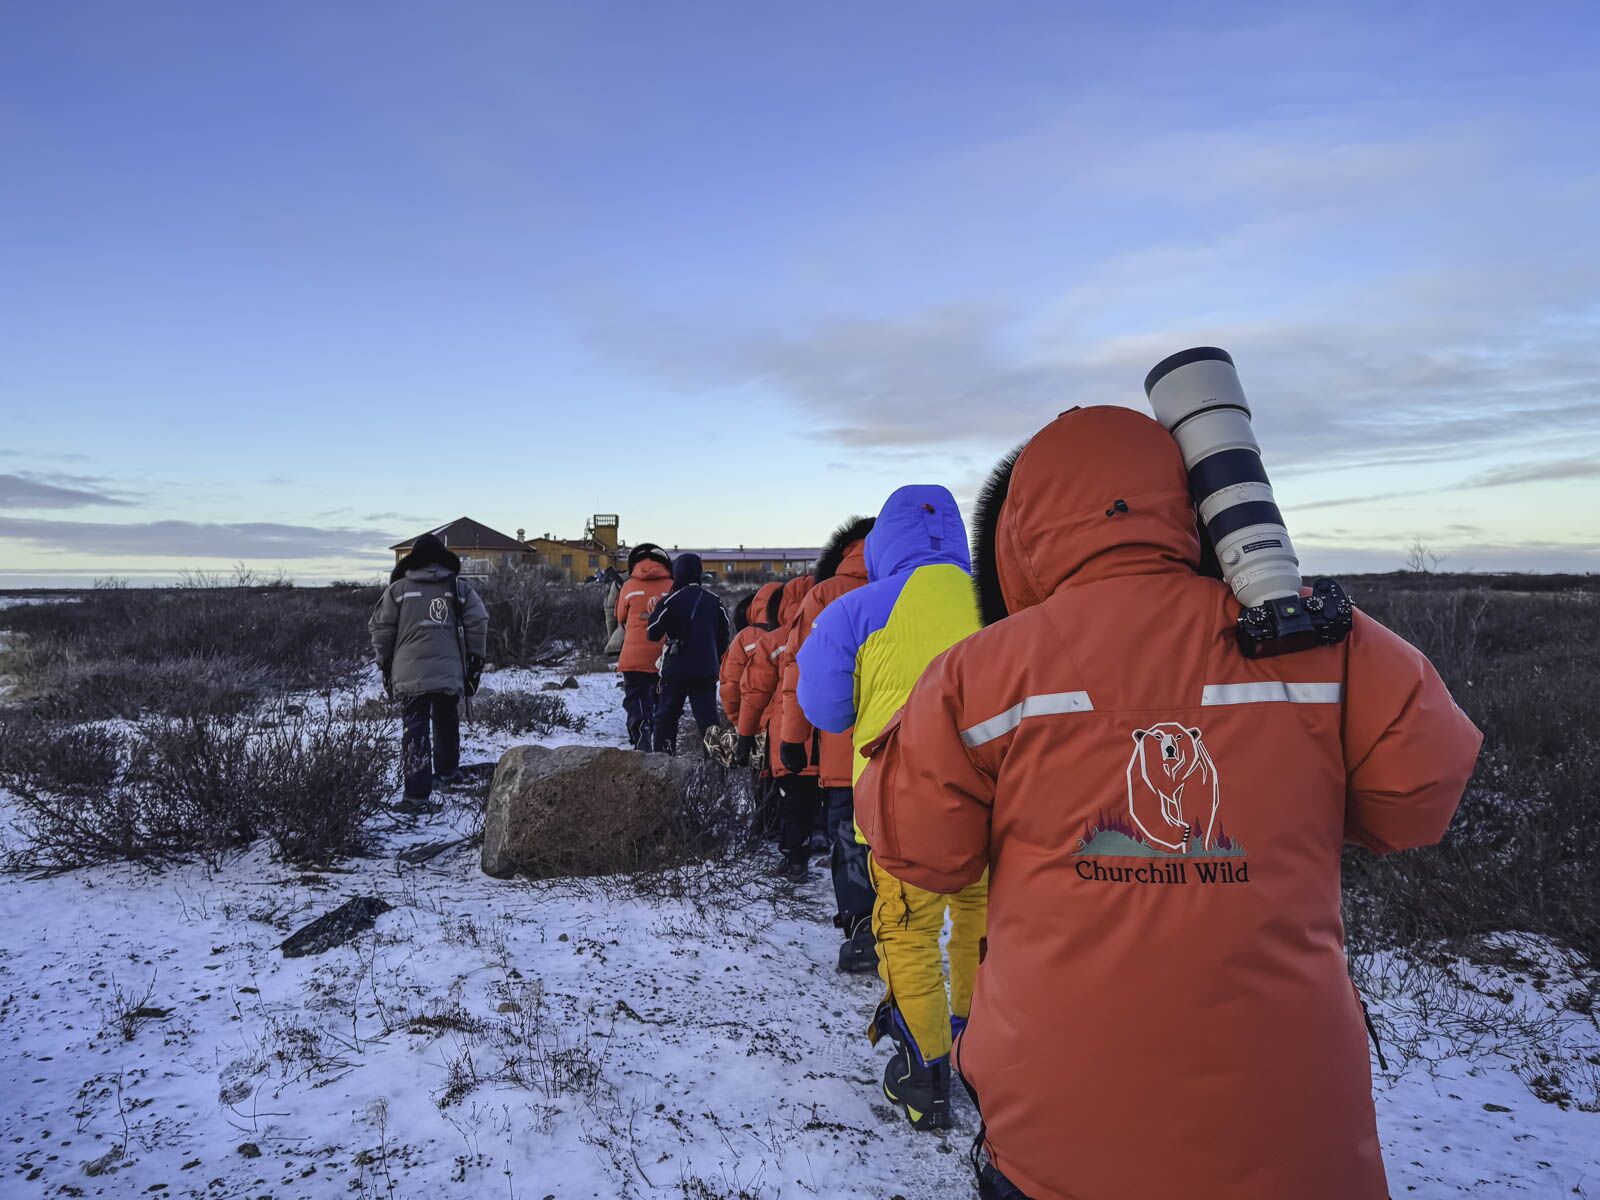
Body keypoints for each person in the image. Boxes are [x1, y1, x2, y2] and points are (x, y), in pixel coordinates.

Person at [853, 407, 1483, 1200]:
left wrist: (896, 748)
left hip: (1060, 1138)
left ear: (1019, 535)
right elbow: (1419, 795)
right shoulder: (1311, 642)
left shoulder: (981, 674)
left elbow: (917, 850)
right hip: (1296, 1139)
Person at [795, 486, 982, 1128]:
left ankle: (922, 1076)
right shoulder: (1006, 607)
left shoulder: (855, 610)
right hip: (999, 800)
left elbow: (824, 710)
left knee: (907, 928)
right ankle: (979, 1056)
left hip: (907, 806)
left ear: (881, 545)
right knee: (983, 920)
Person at [779, 516, 878, 971]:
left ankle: (862, 932)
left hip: (844, 747)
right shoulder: (915, 587)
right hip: (916, 743)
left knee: (849, 834)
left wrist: (792, 739)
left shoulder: (825, 595)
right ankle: (908, 930)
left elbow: (802, 674)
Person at [368, 532, 489, 804]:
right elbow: (478, 621)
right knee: (447, 721)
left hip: (409, 672)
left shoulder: (398, 591)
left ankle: (416, 794)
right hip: (449, 671)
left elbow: (380, 628)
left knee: (415, 730)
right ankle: (447, 773)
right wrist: (475, 659)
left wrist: (384, 661)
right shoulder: (459, 589)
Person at [737, 572, 815, 875]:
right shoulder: (834, 629)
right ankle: (825, 843)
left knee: (792, 799)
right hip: (830, 738)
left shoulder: (772, 642)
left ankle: (795, 857)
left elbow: (753, 693)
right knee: (825, 800)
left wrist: (744, 733)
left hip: (787, 733)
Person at [646, 552, 731, 754]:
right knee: (709, 723)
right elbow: (725, 634)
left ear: (678, 573)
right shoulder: (715, 601)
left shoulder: (671, 601)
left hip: (677, 669)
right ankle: (716, 769)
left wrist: (655, 611)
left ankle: (662, 764)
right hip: (706, 669)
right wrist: (713, 656)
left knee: (666, 718)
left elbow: (652, 632)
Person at [615, 543, 673, 750]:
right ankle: (660, 737)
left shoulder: (629, 586)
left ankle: (641, 729)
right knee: (661, 697)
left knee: (636, 695)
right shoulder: (673, 586)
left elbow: (620, 617)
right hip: (664, 654)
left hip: (633, 655)